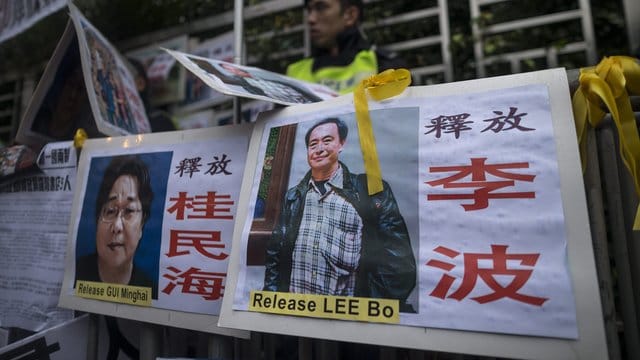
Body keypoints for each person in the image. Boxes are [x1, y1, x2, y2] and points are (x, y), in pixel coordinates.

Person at [263, 117, 416, 311]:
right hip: (296, 313)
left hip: (345, 320)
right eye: (313, 144)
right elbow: (276, 253)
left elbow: (398, 260)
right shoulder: (294, 196)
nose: (319, 149)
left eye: (327, 141)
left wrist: (372, 309)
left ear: (341, 144)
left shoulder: (369, 190)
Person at [75, 155, 157, 298]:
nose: (117, 226)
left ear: (142, 223)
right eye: (110, 211)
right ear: (97, 219)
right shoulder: (74, 275)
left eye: (129, 211)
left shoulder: (152, 292)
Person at [286, 0, 408, 94]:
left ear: (350, 15)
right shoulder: (294, 72)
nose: (310, 19)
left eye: (321, 7)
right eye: (309, 10)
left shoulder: (385, 65)